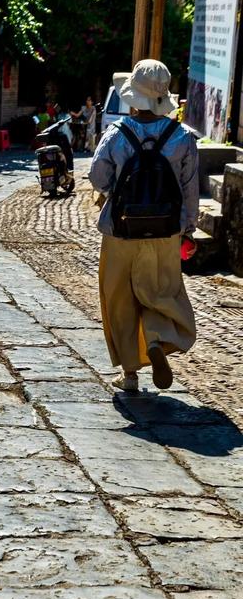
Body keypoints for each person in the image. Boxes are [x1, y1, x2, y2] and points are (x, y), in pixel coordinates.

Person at [88, 60, 199, 393]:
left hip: (121, 231)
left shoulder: (117, 135)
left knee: (120, 298)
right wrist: (188, 230)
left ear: (133, 97)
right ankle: (155, 338)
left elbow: (97, 177)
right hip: (165, 233)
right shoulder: (182, 138)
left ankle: (130, 374)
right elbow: (189, 190)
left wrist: (116, 190)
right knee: (159, 293)